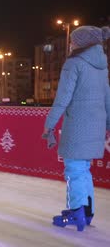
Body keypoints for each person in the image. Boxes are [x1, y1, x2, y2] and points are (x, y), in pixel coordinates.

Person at [43, 26, 110, 232]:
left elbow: (62, 99)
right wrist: (108, 125)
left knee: (74, 170)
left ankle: (76, 211)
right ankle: (86, 211)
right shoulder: (102, 66)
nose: (70, 44)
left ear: (81, 43)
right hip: (96, 126)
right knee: (84, 170)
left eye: (73, 40)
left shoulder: (74, 64)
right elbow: (108, 98)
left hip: (78, 127)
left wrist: (49, 125)